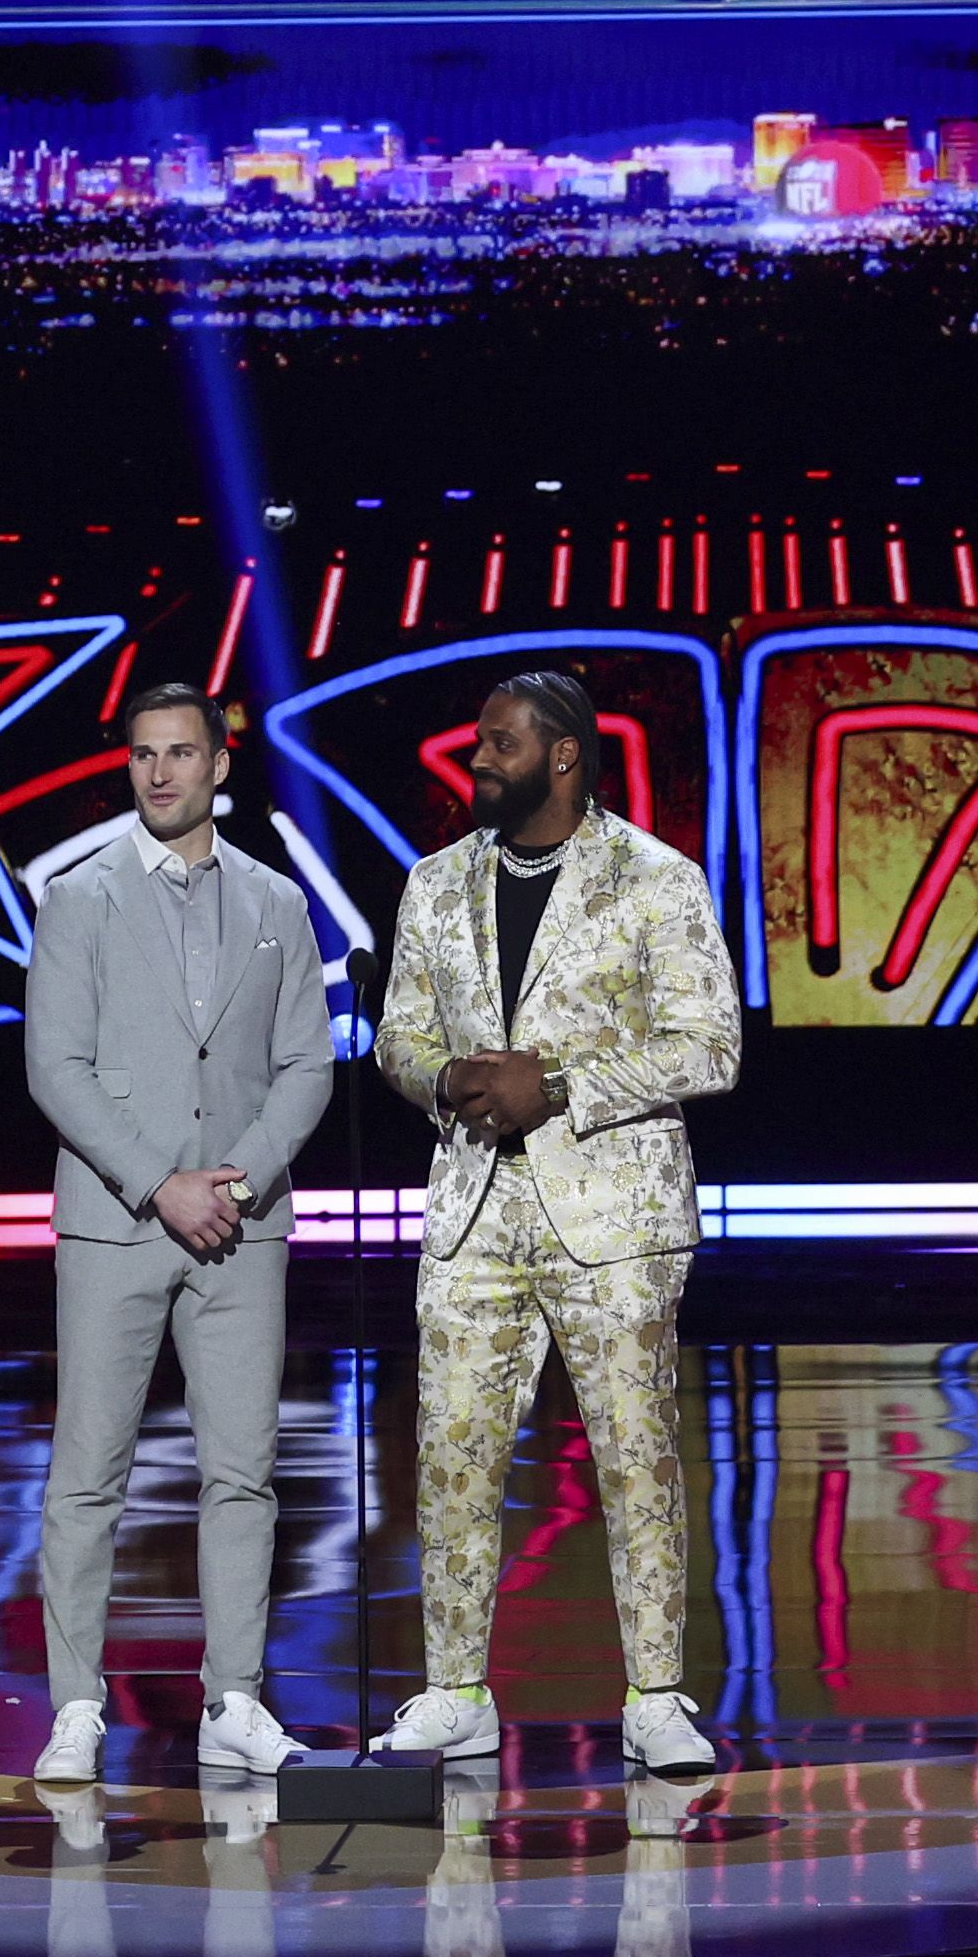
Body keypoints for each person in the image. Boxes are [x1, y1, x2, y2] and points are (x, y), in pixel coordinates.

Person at [369, 667, 742, 1779]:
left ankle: (656, 1698)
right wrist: (446, 1081)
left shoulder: (655, 881)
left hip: (614, 1220)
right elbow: (397, 1034)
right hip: (474, 1209)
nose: (476, 760)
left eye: (498, 744)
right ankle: (455, 1692)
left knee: (637, 1462)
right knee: (452, 1462)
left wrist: (563, 1082)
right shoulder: (435, 885)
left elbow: (710, 1045)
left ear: (563, 754)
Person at [21, 677, 332, 1784]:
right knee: (87, 1474)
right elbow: (55, 1067)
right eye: (144, 754)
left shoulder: (277, 904)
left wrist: (234, 1185)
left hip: (242, 1227)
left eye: (181, 753)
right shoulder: (77, 898)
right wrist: (162, 1183)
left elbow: (308, 1061)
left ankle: (235, 1698)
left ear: (220, 767)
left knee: (242, 1471)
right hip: (116, 1223)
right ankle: (73, 1707)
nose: (160, 772)